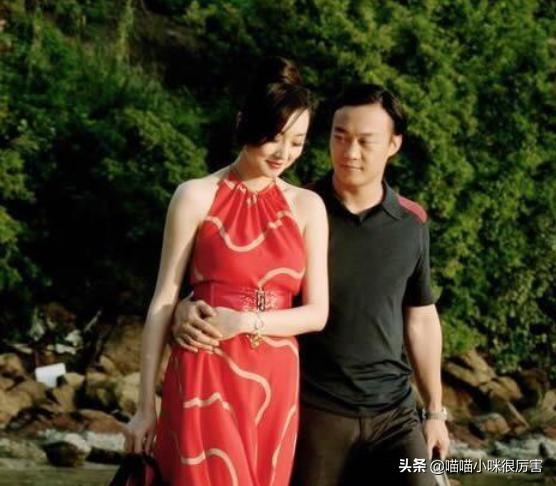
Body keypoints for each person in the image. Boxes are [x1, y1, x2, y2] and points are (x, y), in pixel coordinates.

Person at [173, 83, 450, 485]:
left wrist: (435, 411)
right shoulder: (296, 208)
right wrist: (186, 306)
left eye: (365, 141)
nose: (350, 152)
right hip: (314, 410)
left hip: (395, 412)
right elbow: (240, 275)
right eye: (340, 137)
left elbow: (421, 318)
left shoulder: (411, 222)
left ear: (394, 144)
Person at [123, 56, 329, 486]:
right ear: (245, 123)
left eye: (297, 142)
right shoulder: (195, 196)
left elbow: (317, 313)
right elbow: (163, 299)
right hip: (204, 367)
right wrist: (144, 408)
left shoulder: (308, 206)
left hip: (275, 381)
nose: (284, 154)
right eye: (274, 137)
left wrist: (244, 321)